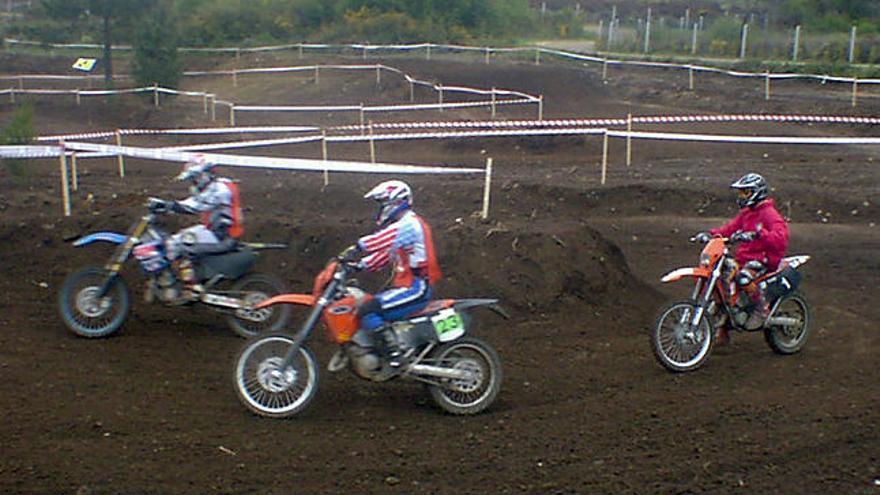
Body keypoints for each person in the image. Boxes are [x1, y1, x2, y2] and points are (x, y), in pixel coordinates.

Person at [342, 179, 441, 367]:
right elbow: (386, 255)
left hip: (416, 288)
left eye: (382, 203)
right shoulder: (405, 224)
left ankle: (394, 356)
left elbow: (383, 240)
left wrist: (357, 247)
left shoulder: (410, 224)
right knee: (365, 304)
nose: (380, 208)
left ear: (395, 201)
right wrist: (359, 266)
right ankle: (384, 349)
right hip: (408, 286)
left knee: (368, 310)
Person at [695, 173, 789, 345]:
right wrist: (710, 234)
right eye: (741, 193)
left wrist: (759, 234)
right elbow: (729, 229)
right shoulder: (746, 214)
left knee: (743, 277)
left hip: (764, 259)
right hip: (744, 258)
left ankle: (762, 310)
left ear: (757, 192)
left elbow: (781, 237)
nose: (741, 197)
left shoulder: (769, 214)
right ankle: (723, 328)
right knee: (722, 279)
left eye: (745, 192)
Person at [149, 154, 244, 299]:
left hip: (223, 236)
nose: (193, 183)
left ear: (205, 174)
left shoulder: (221, 189)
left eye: (195, 178)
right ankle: (182, 280)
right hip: (212, 231)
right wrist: (165, 208)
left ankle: (192, 287)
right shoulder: (215, 186)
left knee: (178, 244)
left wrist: (167, 205)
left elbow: (196, 205)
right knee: (176, 239)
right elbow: (194, 203)